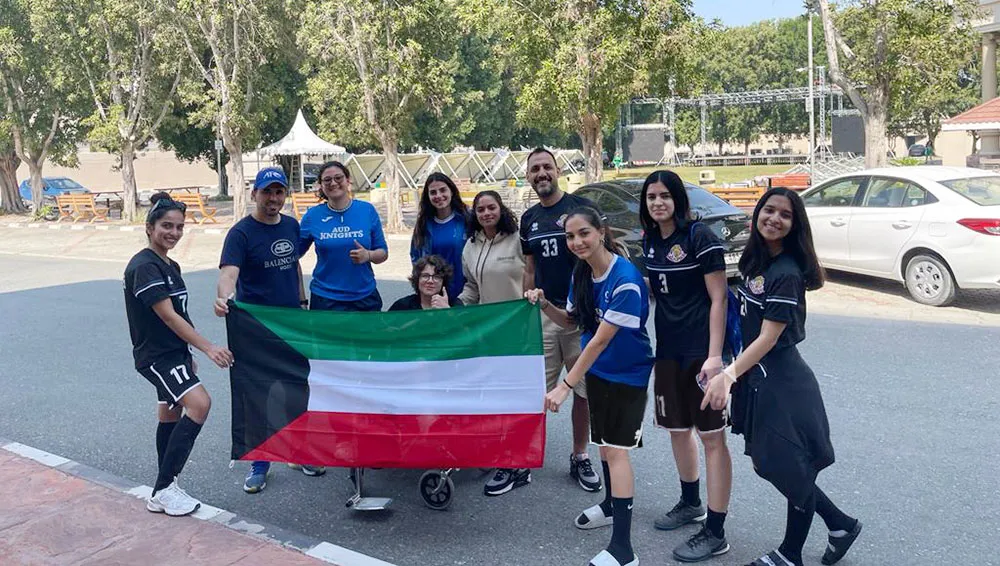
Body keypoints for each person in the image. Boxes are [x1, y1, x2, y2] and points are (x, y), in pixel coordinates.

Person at [702, 188, 862, 566]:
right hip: (757, 377)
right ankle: (840, 525)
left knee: (787, 465)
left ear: (795, 225)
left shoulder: (787, 272)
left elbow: (770, 337)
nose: (774, 218)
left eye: (785, 215)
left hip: (784, 381)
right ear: (757, 214)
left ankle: (791, 555)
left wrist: (728, 374)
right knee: (769, 463)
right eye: (768, 210)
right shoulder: (756, 261)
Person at [526, 206, 652, 566]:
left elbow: (598, 340)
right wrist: (544, 303)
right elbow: (571, 320)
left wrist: (566, 385)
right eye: (570, 236)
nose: (577, 242)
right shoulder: (582, 272)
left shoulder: (624, 279)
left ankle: (624, 550)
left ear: (601, 231)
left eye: (584, 233)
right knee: (602, 445)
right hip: (599, 371)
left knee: (615, 451)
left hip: (626, 373)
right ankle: (611, 505)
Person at [639, 170, 733, 562]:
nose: (658, 203)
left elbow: (719, 299)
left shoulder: (700, 238)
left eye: (664, 196)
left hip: (701, 353)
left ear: (678, 199)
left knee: (712, 438)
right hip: (668, 352)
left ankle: (716, 529)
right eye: (651, 197)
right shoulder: (649, 241)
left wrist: (715, 358)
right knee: (677, 431)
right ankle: (690, 501)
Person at [123, 192, 234, 516]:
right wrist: (209, 347)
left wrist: (187, 353)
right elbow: (167, 315)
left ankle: (165, 487)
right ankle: (163, 488)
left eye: (178, 227)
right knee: (200, 403)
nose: (172, 233)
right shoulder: (144, 266)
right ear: (149, 227)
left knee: (170, 414)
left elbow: (180, 315)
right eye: (166, 226)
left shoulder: (169, 264)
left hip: (173, 353)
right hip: (156, 356)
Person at [214, 167, 324, 490]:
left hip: (292, 323)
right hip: (257, 328)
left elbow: (295, 266)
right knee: (261, 394)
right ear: (254, 195)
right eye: (267, 192)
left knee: (297, 389)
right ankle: (261, 463)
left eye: (279, 192)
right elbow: (228, 274)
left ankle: (299, 452)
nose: (273, 198)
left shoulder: (292, 226)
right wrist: (224, 298)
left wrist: (302, 304)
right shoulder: (241, 234)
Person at [520, 147, 601, 492]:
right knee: (532, 390)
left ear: (558, 171)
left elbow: (602, 256)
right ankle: (520, 459)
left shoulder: (580, 210)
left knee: (581, 391)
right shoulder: (529, 219)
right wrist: (526, 305)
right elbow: (530, 267)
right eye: (535, 168)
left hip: (579, 317)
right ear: (529, 175)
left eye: (547, 167)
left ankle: (580, 455)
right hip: (545, 314)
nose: (542, 173)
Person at [458, 190, 530, 496]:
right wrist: (455, 307)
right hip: (487, 333)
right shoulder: (471, 246)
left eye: (492, 207)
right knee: (494, 398)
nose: (487, 213)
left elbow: (532, 278)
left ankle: (517, 464)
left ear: (501, 209)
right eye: (481, 209)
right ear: (474, 213)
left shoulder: (518, 240)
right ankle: (504, 456)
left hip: (519, 329)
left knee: (516, 398)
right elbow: (472, 287)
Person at [299, 161, 388, 311]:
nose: (333, 183)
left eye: (338, 178)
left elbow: (383, 253)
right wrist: (301, 299)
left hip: (364, 297)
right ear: (321, 185)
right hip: (326, 299)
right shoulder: (312, 216)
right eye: (327, 180)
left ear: (348, 180)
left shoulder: (366, 210)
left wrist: (368, 255)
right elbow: (292, 256)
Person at [410, 172, 469, 299]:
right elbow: (416, 257)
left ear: (452, 191)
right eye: (433, 192)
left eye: (443, 190)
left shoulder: (466, 219)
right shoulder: (423, 224)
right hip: (432, 293)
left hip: (464, 292)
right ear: (428, 196)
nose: (438, 196)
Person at [388, 255, 462, 311]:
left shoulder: (455, 305)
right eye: (425, 276)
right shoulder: (403, 306)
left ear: (443, 281)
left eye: (436, 277)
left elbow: (467, 330)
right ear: (417, 280)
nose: (430, 281)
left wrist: (448, 311)